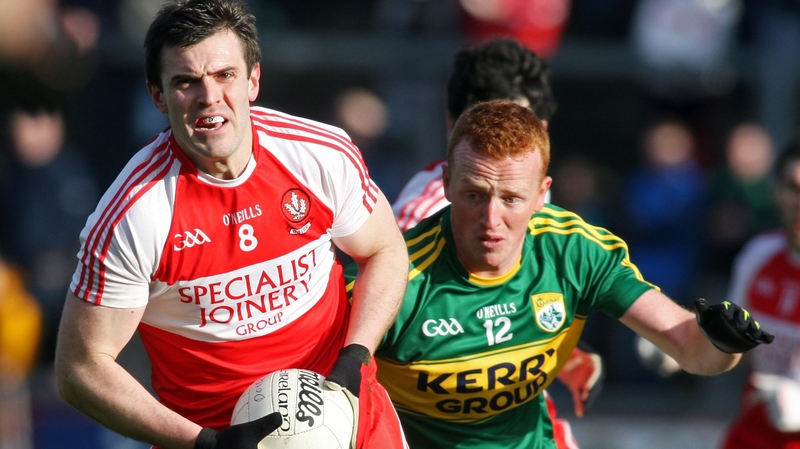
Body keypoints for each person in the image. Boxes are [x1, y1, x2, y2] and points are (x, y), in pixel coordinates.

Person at [53, 1, 409, 449]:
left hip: (350, 415)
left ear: (253, 79)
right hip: (212, 438)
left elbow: (384, 249)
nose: (209, 97)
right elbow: (81, 368)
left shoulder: (320, 154)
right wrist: (205, 442)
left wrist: (355, 355)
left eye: (225, 75)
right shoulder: (133, 215)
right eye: (186, 82)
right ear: (158, 97)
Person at [350, 99, 773, 448]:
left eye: (512, 198)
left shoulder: (574, 252)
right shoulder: (396, 279)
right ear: (445, 183)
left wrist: (724, 342)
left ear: (542, 195)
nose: (491, 218)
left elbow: (690, 346)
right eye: (474, 194)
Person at [391, 37, 601, 447]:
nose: (508, 140)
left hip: (523, 416)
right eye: (489, 124)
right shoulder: (422, 220)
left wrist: (569, 355)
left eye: (522, 123)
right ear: (454, 126)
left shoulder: (528, 185)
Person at [717, 139, 800, 449]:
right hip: (754, 434)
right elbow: (734, 345)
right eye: (793, 188)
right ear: (776, 191)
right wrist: (680, 341)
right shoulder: (759, 254)